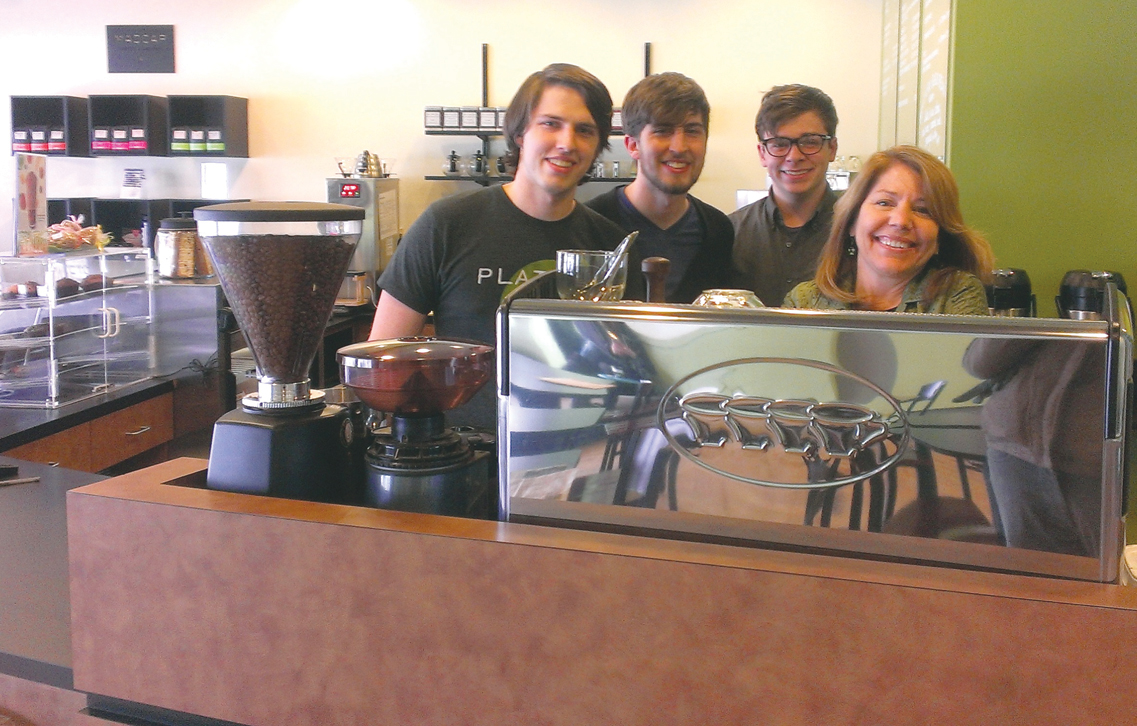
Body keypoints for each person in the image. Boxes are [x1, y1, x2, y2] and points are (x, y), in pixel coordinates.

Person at [370, 63, 629, 428]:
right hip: (464, 451)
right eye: (550, 124)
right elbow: (381, 358)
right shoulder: (447, 223)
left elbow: (622, 366)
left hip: (574, 447)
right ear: (520, 133)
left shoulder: (610, 245)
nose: (567, 143)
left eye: (584, 130)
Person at [783, 145, 993, 314]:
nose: (900, 221)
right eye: (884, 203)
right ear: (852, 220)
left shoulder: (957, 295)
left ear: (940, 235)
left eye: (922, 210)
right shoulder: (804, 301)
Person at [586, 72, 735, 303]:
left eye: (692, 131)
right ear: (632, 145)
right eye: (663, 130)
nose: (679, 147)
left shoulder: (718, 231)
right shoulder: (588, 225)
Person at [730, 84, 840, 306]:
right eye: (779, 144)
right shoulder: (730, 233)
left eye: (810, 142)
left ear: (832, 149)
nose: (794, 156)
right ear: (762, 154)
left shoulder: (861, 229)